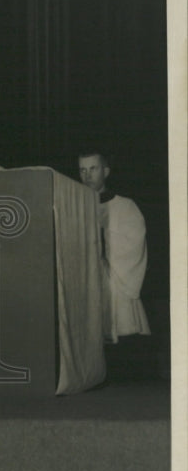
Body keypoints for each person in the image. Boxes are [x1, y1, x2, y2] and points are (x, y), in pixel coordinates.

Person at [78, 150, 151, 377]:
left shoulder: (125, 205)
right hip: (85, 273)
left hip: (115, 273)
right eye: (82, 170)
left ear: (106, 172)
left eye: (93, 169)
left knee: (118, 323)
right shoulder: (74, 205)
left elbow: (135, 240)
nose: (87, 175)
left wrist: (103, 239)